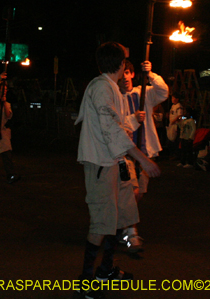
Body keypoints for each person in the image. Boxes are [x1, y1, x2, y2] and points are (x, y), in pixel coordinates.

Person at [74, 42, 160, 298]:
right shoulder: (102, 87)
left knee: (120, 216)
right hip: (102, 163)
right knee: (102, 221)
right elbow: (110, 129)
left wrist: (134, 123)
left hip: (117, 162)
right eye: (125, 59)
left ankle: (106, 270)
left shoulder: (112, 88)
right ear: (121, 65)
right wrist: (143, 159)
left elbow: (119, 126)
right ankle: (86, 281)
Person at [119, 59, 168, 252]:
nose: (125, 77)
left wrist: (151, 75)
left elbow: (163, 92)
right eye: (121, 73)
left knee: (138, 195)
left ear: (132, 74)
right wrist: (132, 119)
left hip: (145, 151)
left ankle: (124, 227)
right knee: (133, 192)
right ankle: (131, 232)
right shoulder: (115, 97)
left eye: (128, 73)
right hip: (126, 153)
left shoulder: (143, 93)